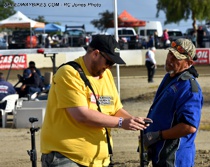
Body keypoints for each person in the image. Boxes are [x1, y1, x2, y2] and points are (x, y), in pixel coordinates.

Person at [40, 35, 152, 167]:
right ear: (95, 54)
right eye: (109, 62)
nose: (109, 67)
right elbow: (81, 115)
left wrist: (134, 121)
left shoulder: (106, 75)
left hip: (99, 161)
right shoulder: (69, 73)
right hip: (66, 157)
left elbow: (115, 109)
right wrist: (122, 122)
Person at [143, 38, 203, 166]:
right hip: (161, 154)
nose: (170, 59)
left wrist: (157, 135)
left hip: (175, 158)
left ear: (189, 62)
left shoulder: (189, 88)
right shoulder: (170, 77)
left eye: (176, 57)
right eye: (170, 54)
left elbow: (189, 126)